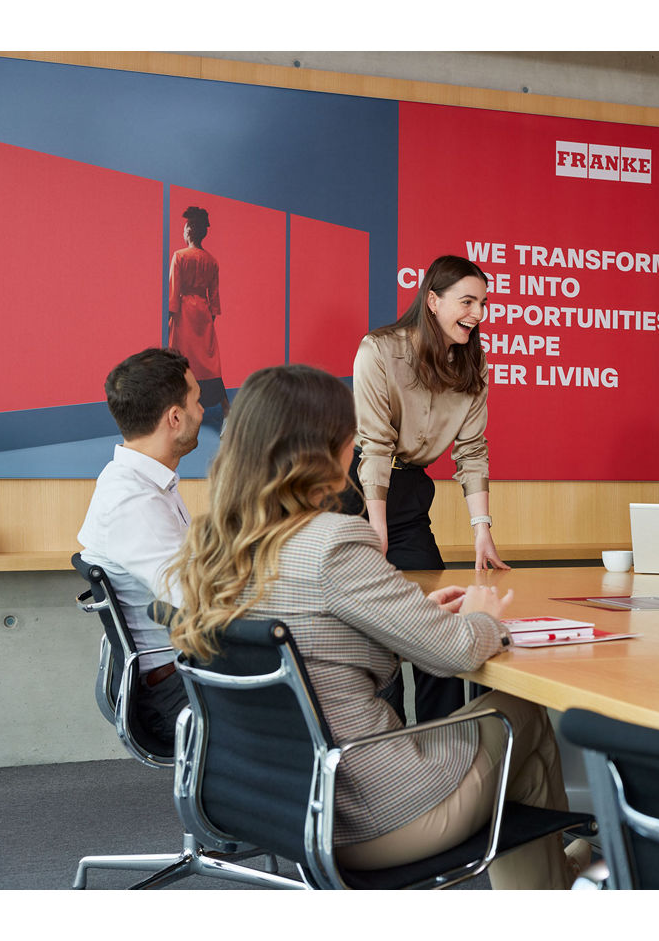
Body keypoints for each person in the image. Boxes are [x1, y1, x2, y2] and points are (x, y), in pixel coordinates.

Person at [165, 364, 585, 887]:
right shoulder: (334, 541)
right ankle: (560, 885)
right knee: (522, 711)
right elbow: (455, 653)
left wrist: (416, 618)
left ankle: (558, 881)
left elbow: (319, 638)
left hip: (282, 806)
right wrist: (480, 616)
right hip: (373, 814)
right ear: (329, 447)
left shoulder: (214, 547)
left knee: (513, 749)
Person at [347, 255, 510, 721]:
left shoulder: (472, 367)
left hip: (411, 494)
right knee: (376, 632)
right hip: (358, 494)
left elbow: (472, 453)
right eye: (467, 301)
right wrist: (374, 531)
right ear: (433, 301)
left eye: (482, 303)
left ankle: (444, 741)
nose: (477, 313)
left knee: (440, 625)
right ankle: (385, 745)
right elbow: (375, 448)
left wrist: (482, 529)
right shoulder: (378, 350)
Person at [77, 348, 204, 748]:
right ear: (175, 418)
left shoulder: (140, 483)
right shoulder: (136, 504)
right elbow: (199, 604)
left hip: (179, 669)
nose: (203, 411)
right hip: (175, 689)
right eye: (197, 401)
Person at [168, 206, 229, 419]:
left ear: (190, 229)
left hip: (184, 314)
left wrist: (169, 318)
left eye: (186, 226)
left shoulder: (179, 256)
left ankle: (180, 410)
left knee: (181, 361)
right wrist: (209, 319)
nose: (183, 230)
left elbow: (173, 294)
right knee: (209, 366)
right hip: (203, 314)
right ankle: (226, 409)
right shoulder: (212, 261)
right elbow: (214, 298)